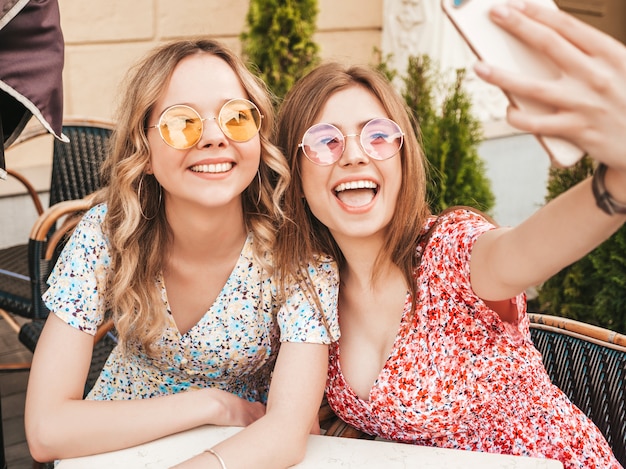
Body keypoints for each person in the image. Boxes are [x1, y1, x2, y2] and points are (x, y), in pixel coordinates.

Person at [274, 1, 625, 467]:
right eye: (325, 140)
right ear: (295, 173)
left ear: (402, 159)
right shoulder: (313, 289)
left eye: (377, 135)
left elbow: (529, 249)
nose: (355, 154)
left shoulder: (449, 249)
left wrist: (615, 182)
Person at [24, 38, 339, 469]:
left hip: (244, 452)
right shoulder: (107, 233)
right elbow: (46, 432)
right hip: (116, 443)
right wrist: (211, 404)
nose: (213, 137)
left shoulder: (297, 254)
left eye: (236, 117)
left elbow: (288, 434)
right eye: (181, 122)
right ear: (145, 152)